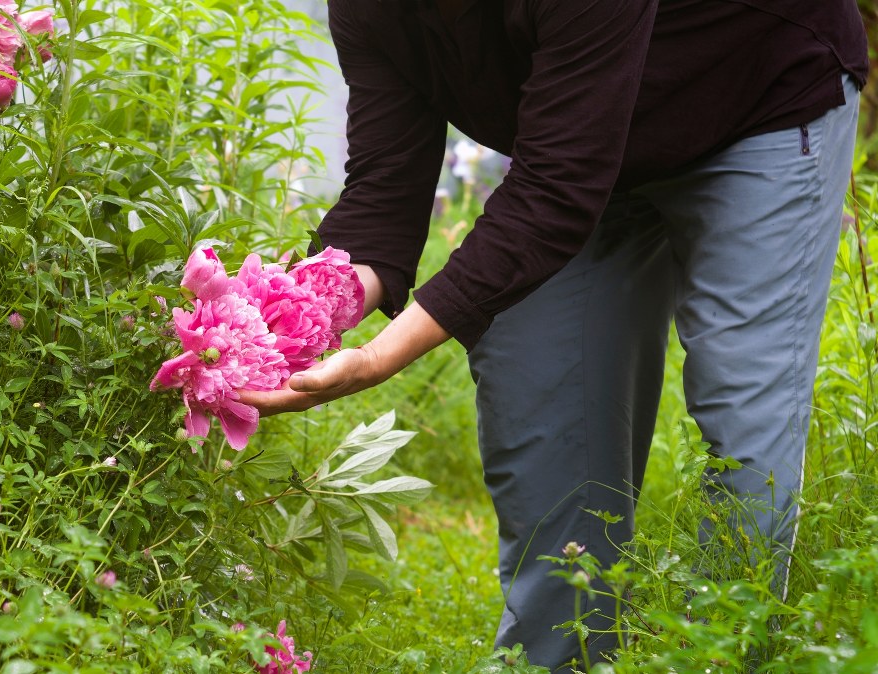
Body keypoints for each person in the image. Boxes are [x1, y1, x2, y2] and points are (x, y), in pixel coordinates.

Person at [239, 0, 868, 670]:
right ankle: (560, 662)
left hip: (754, 91)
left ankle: (719, 657)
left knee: (745, 418)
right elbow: (384, 193)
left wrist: (374, 359)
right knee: (536, 388)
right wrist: (282, 317)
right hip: (576, 133)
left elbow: (554, 191)